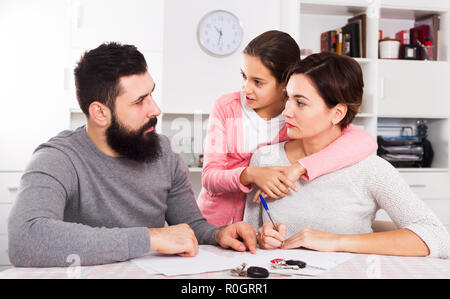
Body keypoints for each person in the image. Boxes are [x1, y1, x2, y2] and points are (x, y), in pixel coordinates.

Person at [7, 42, 257, 267]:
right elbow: (26, 238)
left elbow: (192, 227)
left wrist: (218, 234)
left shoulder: (165, 153)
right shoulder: (58, 158)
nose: (155, 109)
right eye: (140, 101)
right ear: (100, 113)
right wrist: (150, 237)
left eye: (151, 94)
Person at [244, 52, 450, 258]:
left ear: (337, 113)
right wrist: (262, 238)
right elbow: (250, 235)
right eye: (287, 98)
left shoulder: (370, 170)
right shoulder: (265, 160)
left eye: (300, 102)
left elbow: (438, 238)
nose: (286, 111)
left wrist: (335, 241)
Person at [198, 30, 378, 226]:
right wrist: (249, 174)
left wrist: (300, 168)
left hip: (263, 228)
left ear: (285, 82)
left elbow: (364, 141)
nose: (246, 88)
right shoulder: (226, 107)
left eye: (258, 82)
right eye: (243, 75)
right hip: (214, 225)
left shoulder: (297, 116)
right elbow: (209, 177)